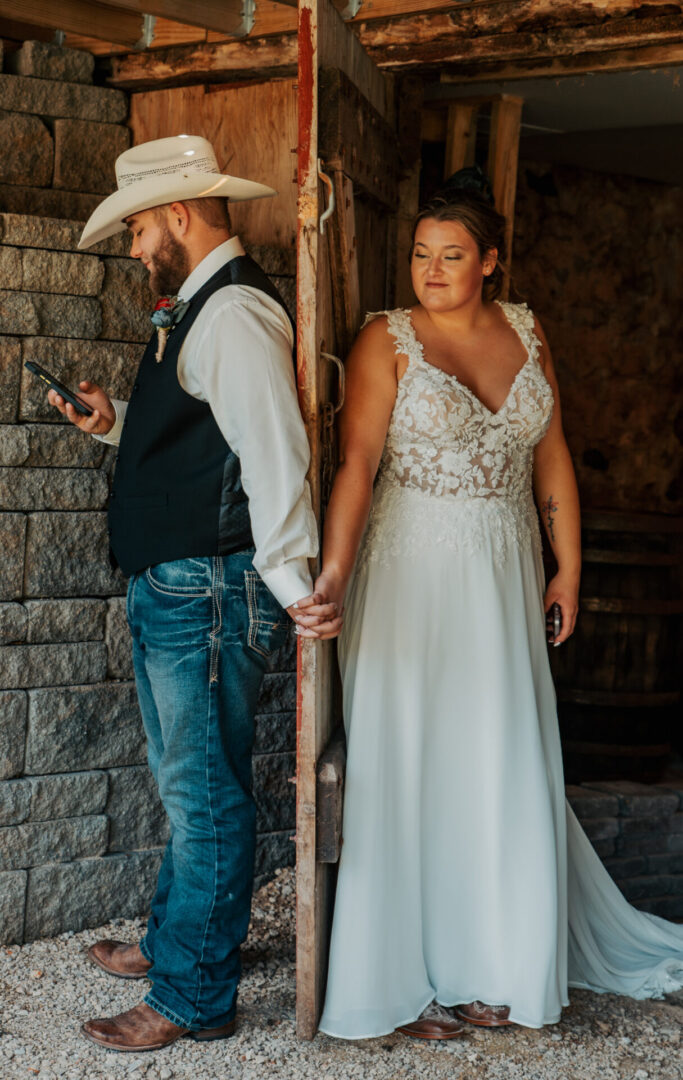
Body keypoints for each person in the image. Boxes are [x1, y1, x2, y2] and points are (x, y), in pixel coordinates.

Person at [309, 176, 683, 1040]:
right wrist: (331, 574)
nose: (429, 273)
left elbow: (550, 452)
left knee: (498, 757)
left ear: (488, 263)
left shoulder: (524, 329)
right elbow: (356, 466)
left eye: (449, 257)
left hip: (503, 570)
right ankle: (403, 976)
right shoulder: (385, 341)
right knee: (412, 761)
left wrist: (569, 569)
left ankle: (497, 964)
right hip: (409, 578)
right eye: (418, 255)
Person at [48, 135, 330, 1052]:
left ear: (176, 215)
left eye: (135, 228)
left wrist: (291, 582)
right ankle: (178, 944)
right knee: (187, 783)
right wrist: (112, 424)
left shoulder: (235, 311)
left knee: (205, 796)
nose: (133, 246)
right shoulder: (201, 309)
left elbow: (273, 451)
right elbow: (206, 436)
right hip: (181, 586)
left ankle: (192, 994)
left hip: (209, 590)